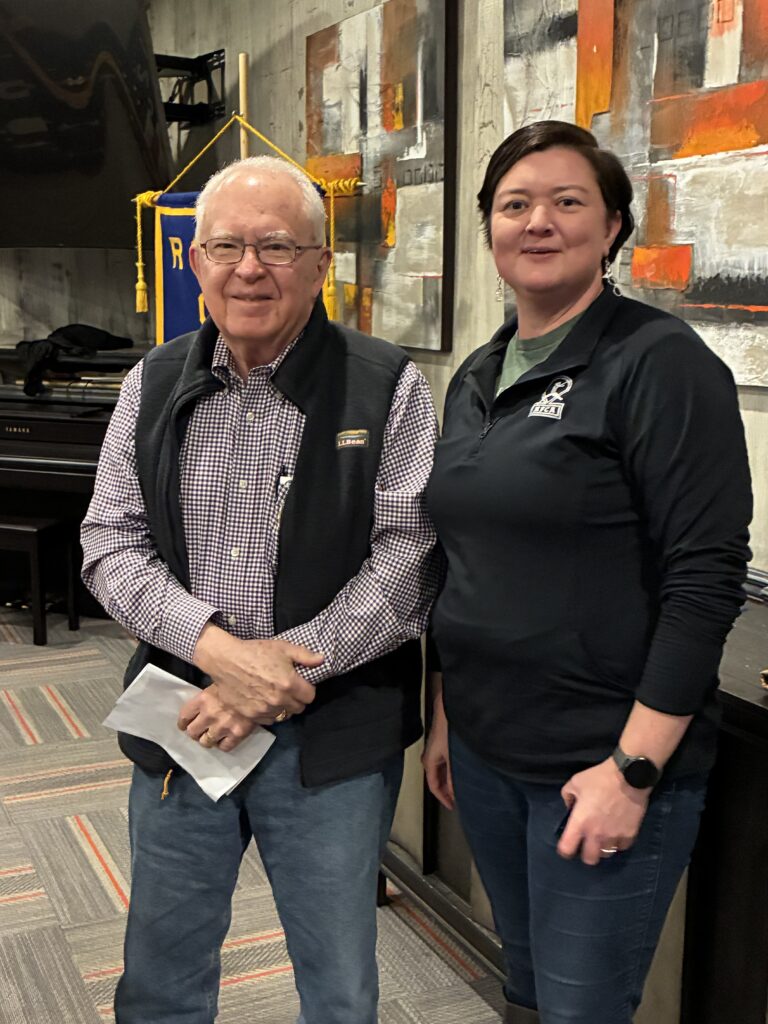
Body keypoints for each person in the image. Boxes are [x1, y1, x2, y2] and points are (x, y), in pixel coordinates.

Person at [81, 155, 441, 1024]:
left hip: (332, 734)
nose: (250, 269)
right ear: (194, 260)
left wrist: (272, 677)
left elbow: (409, 557)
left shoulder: (388, 385)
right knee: (160, 977)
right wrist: (220, 654)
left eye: (277, 246)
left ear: (320, 264)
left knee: (339, 986)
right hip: (185, 719)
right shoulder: (151, 383)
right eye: (227, 246)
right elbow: (110, 543)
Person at [421, 121, 752, 1024]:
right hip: (487, 751)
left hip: (599, 760)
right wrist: (447, 718)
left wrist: (631, 771)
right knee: (526, 990)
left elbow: (705, 578)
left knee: (581, 1009)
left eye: (567, 202)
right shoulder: (479, 373)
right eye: (515, 204)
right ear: (489, 226)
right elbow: (463, 560)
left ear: (611, 228)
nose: (538, 222)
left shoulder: (660, 363)